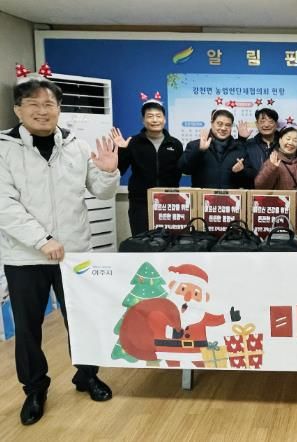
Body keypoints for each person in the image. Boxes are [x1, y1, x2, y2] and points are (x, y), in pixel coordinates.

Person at [0, 78, 120, 425]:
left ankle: (87, 376)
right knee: (28, 328)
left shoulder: (76, 145)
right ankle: (34, 389)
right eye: (33, 104)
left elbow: (100, 191)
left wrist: (109, 172)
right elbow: (5, 205)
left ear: (58, 108)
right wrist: (42, 240)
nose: (42, 111)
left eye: (49, 104)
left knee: (82, 319)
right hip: (25, 256)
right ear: (18, 109)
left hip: (73, 254)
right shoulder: (5, 148)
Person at [111, 97, 183, 235]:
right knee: (141, 240)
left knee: (169, 242)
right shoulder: (133, 143)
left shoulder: (175, 144)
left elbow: (179, 171)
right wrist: (122, 150)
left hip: (169, 202)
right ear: (143, 120)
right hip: (140, 203)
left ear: (164, 119)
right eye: (150, 116)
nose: (155, 120)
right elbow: (119, 170)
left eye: (158, 116)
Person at [254, 127, 297, 232]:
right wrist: (271, 168)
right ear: (280, 140)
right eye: (288, 138)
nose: (290, 143)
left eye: (295, 140)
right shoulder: (271, 161)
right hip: (277, 219)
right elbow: (260, 187)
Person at [178, 108, 254, 189]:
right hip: (203, 196)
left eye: (228, 125)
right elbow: (184, 169)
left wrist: (242, 171)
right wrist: (199, 151)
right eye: (219, 124)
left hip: (231, 196)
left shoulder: (239, 148)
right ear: (212, 123)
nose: (223, 128)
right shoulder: (196, 145)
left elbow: (250, 178)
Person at [244, 107, 279, 187]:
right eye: (262, 122)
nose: (266, 125)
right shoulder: (248, 145)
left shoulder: (284, 144)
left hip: (279, 191)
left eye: (270, 122)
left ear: (276, 124)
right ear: (257, 124)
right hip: (254, 190)